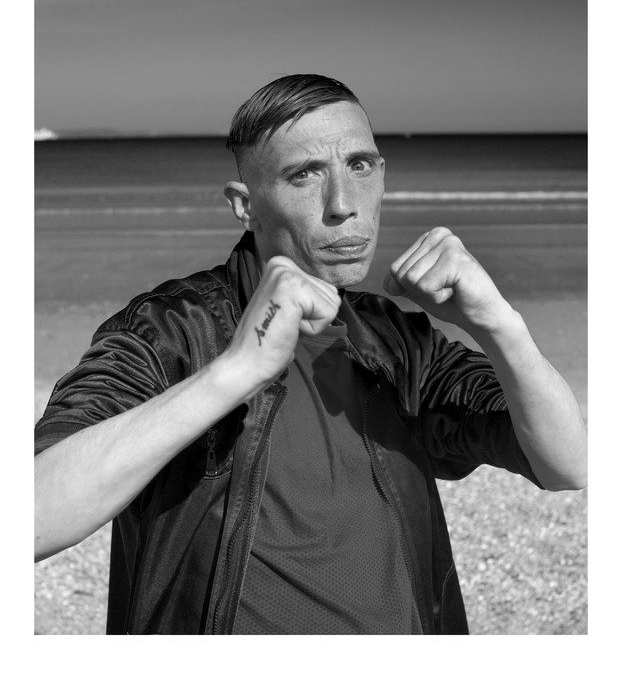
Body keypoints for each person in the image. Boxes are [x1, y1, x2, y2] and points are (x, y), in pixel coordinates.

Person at [34, 73, 586, 635]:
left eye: (360, 165)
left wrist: (498, 324)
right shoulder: (171, 330)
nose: (343, 205)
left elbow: (567, 462)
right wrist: (235, 370)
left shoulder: (398, 341)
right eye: (304, 175)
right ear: (245, 206)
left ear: (382, 175)